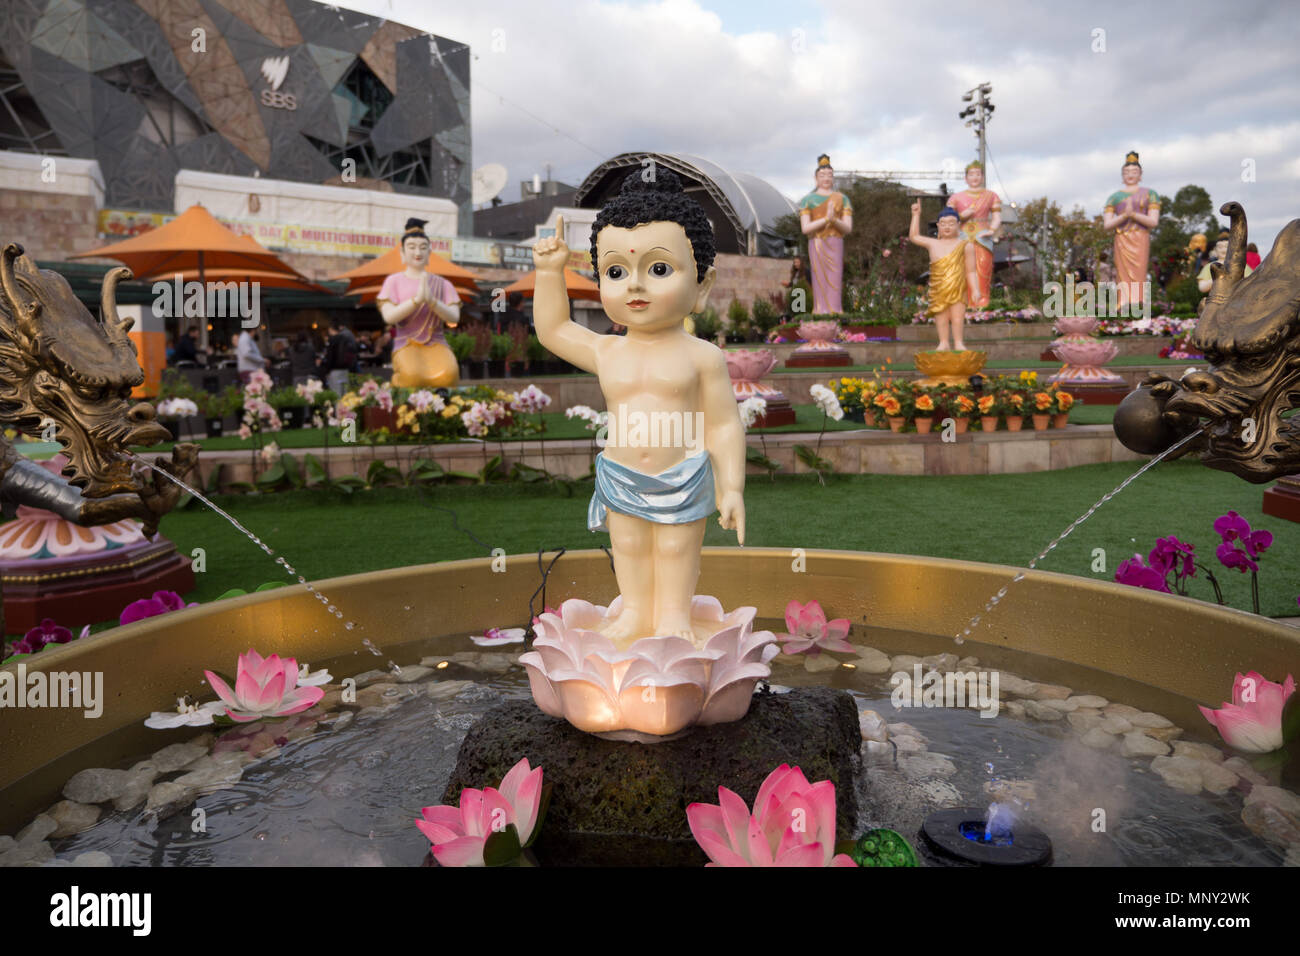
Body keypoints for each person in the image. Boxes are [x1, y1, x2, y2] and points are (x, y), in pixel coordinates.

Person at [531, 170, 744, 643]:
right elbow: (553, 330)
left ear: (703, 284)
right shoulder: (608, 351)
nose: (635, 286)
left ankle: (673, 616)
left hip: (682, 475)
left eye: (659, 269)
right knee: (626, 544)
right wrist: (549, 273)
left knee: (674, 549)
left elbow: (725, 425)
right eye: (616, 271)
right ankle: (634, 611)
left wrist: (731, 487)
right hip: (621, 474)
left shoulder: (701, 356)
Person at [377, 218, 461, 387]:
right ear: (402, 253)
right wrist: (416, 300)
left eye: (423, 248)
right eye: (412, 247)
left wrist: (431, 301)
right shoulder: (393, 281)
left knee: (449, 375)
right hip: (407, 343)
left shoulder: (442, 284)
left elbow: (454, 317)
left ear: (429, 253)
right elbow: (389, 317)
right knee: (412, 377)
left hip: (436, 343)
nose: (418, 252)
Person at [909, 202, 979, 352]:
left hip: (958, 287)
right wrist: (916, 215)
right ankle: (944, 342)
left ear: (959, 225)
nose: (947, 227)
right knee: (941, 316)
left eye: (951, 223)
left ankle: (959, 342)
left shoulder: (966, 245)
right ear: (938, 226)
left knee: (957, 317)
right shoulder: (933, 244)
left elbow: (971, 271)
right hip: (938, 287)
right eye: (943, 223)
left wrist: (975, 290)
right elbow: (914, 236)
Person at [1102, 151, 1161, 313]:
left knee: (1139, 272)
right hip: (1121, 238)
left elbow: (1153, 221)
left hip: (1140, 237)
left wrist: (1133, 214)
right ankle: (1122, 303)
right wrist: (1124, 216)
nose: (1130, 175)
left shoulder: (1150, 194)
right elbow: (1107, 225)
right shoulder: (1114, 197)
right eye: (1126, 172)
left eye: (1134, 172)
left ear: (1140, 175)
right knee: (1121, 273)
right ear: (1122, 175)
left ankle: (1139, 303)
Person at [798, 154, 852, 314]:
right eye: (822, 175)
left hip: (835, 242)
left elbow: (847, 228)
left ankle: (836, 310)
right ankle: (820, 310)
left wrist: (834, 220)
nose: (826, 178)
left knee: (835, 278)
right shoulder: (808, 200)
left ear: (833, 178)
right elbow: (805, 228)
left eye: (829, 175)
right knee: (819, 278)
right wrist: (825, 220)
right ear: (815, 178)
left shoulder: (842, 198)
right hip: (817, 243)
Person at [949, 161, 1002, 308]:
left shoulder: (991, 195)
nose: (975, 177)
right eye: (971, 174)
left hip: (982, 235)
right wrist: (962, 215)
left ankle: (982, 299)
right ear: (965, 178)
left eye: (978, 174)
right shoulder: (956, 197)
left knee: (983, 267)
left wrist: (992, 229)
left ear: (983, 177)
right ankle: (963, 300)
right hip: (962, 236)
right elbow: (947, 219)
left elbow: (997, 217)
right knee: (963, 269)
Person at [322, 321, 359, 395]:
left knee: (336, 394)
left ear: (330, 329)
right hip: (345, 370)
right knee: (345, 394)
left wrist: (326, 370)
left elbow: (330, 357)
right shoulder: (346, 338)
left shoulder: (332, 340)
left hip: (334, 371)